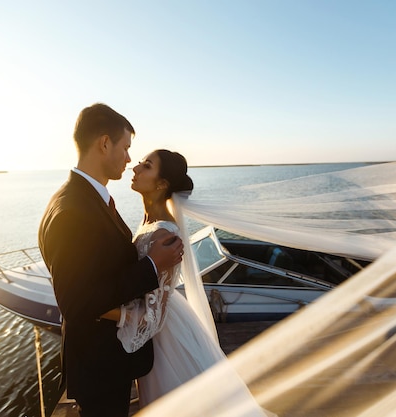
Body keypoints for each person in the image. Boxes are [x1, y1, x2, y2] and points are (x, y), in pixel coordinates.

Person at [37, 104, 184, 417]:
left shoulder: (83, 199)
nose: (130, 159)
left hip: (106, 363)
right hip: (99, 369)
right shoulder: (73, 212)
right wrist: (152, 266)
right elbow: (76, 303)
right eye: (126, 148)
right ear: (104, 144)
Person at [114, 150, 269, 416]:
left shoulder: (164, 234)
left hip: (165, 336)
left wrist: (103, 313)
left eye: (146, 166)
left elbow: (154, 316)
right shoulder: (150, 222)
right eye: (140, 162)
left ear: (162, 184)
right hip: (166, 321)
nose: (135, 168)